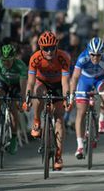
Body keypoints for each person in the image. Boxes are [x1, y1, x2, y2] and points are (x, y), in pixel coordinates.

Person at [22, 31, 71, 170]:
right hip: (41, 82)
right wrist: (28, 97)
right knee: (38, 94)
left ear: (56, 47)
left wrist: (67, 96)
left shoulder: (63, 57)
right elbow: (30, 82)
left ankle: (58, 155)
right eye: (45, 48)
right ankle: (37, 121)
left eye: (52, 48)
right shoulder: (35, 58)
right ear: (40, 48)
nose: (49, 51)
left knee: (60, 119)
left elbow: (65, 81)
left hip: (58, 84)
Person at [69, 37, 104, 160]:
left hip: (100, 79)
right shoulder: (82, 57)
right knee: (81, 112)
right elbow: (75, 77)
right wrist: (72, 93)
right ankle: (79, 146)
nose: (95, 58)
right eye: (93, 55)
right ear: (89, 52)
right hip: (85, 80)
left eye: (98, 55)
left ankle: (102, 120)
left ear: (102, 53)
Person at [0, 44, 27, 155]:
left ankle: (13, 140)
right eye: (4, 60)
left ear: (14, 58)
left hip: (16, 85)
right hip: (2, 83)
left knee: (13, 109)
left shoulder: (20, 66)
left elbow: (23, 89)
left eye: (8, 61)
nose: (5, 63)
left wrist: (22, 101)